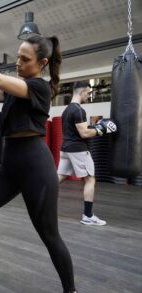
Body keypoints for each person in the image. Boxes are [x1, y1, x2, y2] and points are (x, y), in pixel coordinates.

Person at [0, 24, 77, 292]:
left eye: (25, 59)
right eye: (18, 57)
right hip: (10, 167)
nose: (18, 63)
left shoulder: (39, 87)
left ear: (42, 63)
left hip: (35, 167)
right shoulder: (17, 87)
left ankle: (71, 290)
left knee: (49, 235)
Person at [57, 81, 117, 226]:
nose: (89, 96)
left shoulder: (66, 110)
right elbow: (84, 133)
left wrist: (96, 127)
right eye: (88, 93)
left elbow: (77, 129)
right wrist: (102, 130)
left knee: (59, 176)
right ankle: (88, 216)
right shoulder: (78, 110)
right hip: (78, 150)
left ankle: (39, 198)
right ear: (81, 92)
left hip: (66, 149)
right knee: (90, 179)